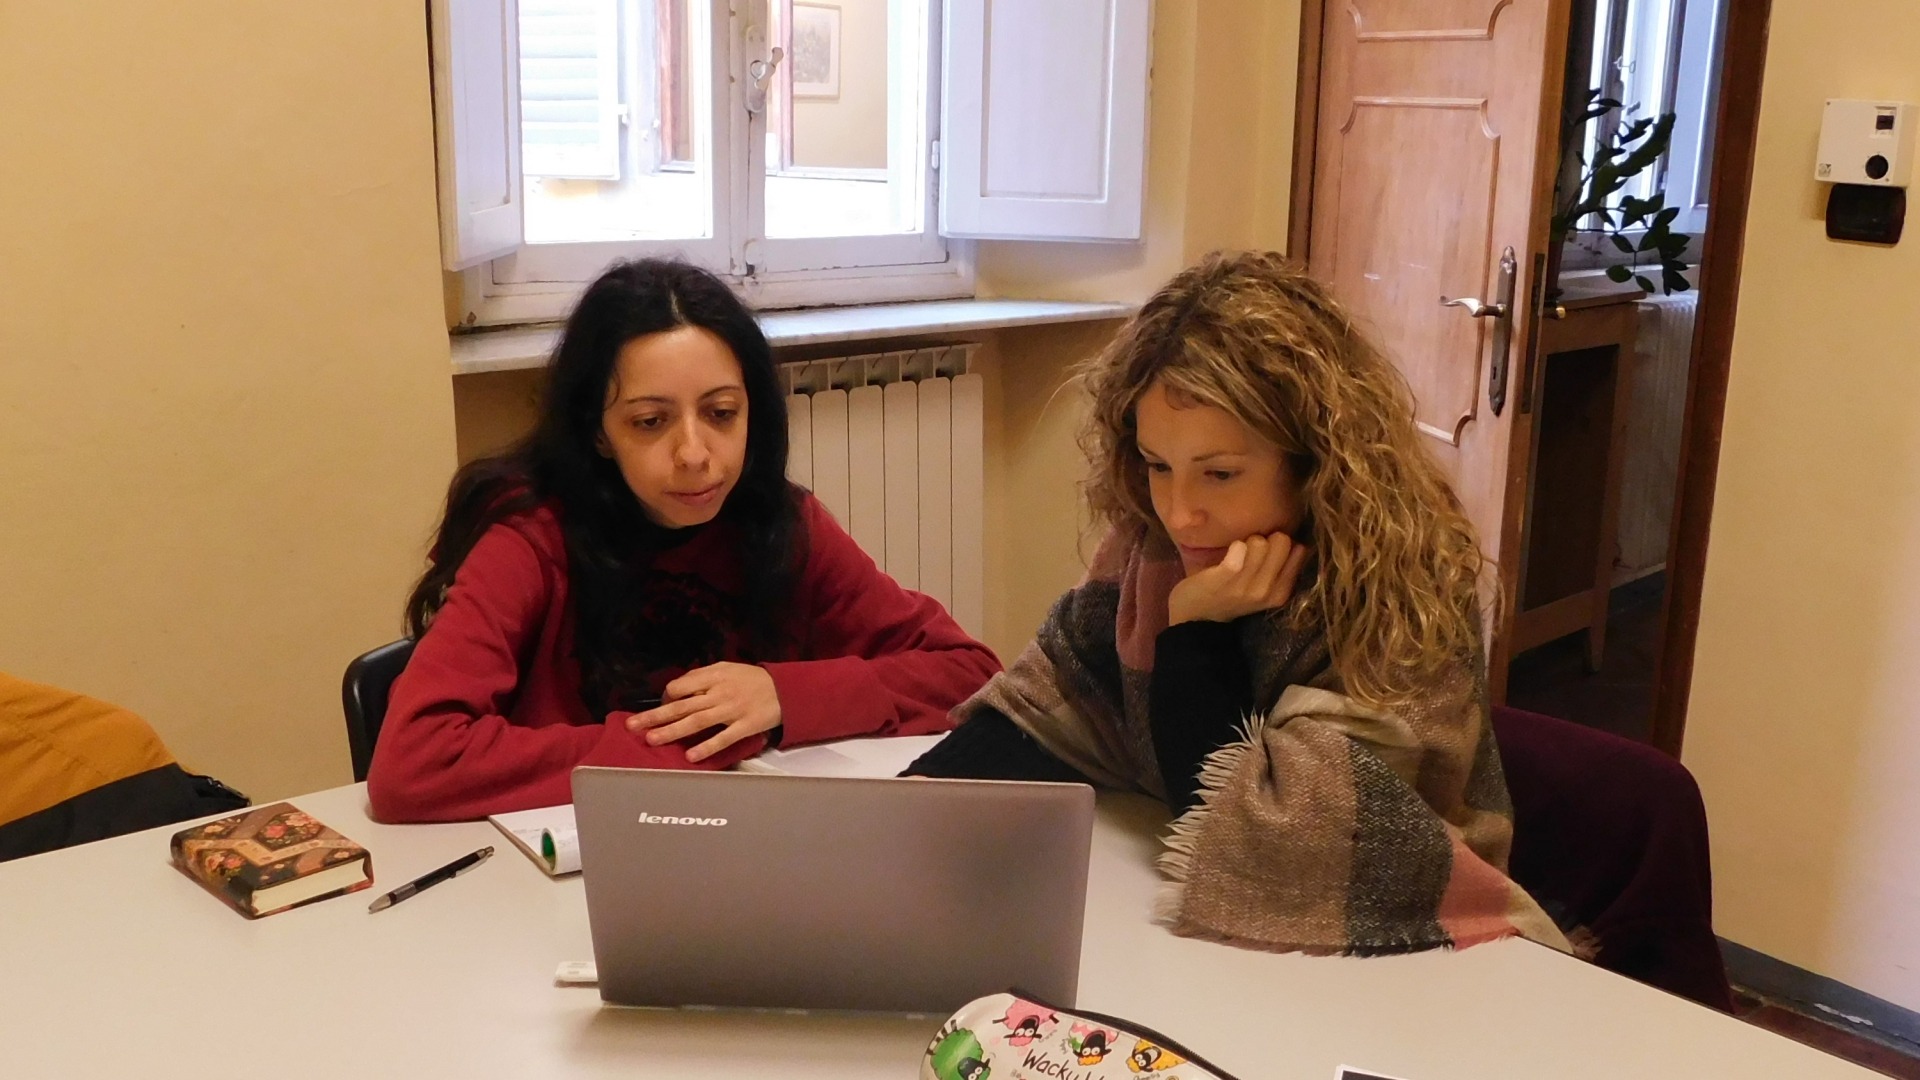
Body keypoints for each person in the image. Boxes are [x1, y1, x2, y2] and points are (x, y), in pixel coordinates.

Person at [907, 251, 1569, 957]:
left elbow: (1267, 832)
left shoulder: (1401, 591)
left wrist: (1196, 630)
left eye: (1220, 474)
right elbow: (1049, 704)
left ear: (1315, 461)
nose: (1179, 512)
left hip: (1396, 937)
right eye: (1158, 465)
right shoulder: (1152, 547)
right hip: (1215, 939)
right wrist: (906, 816)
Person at [367, 259, 1000, 823]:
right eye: (650, 422)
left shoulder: (781, 521)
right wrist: (682, 744)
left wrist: (783, 695)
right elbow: (412, 762)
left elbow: (970, 674)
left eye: (722, 414)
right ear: (598, 433)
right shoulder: (529, 536)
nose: (695, 454)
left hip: (742, 843)